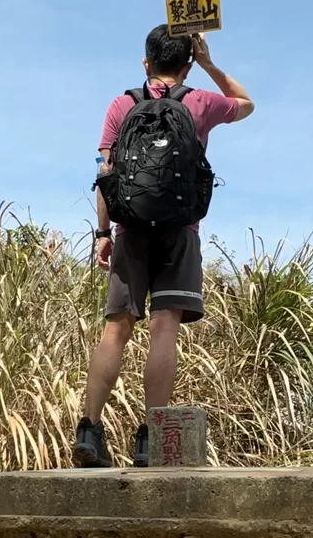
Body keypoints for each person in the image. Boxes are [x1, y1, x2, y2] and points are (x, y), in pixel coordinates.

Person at [72, 24, 255, 468]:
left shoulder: (123, 104)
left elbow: (105, 171)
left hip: (129, 231)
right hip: (180, 231)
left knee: (116, 329)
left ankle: (89, 431)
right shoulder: (200, 102)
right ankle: (150, 437)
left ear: (146, 62)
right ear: (188, 62)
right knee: (164, 327)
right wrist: (209, 63)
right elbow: (247, 104)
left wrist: (102, 233)